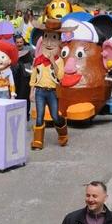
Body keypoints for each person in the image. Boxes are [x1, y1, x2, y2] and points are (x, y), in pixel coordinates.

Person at [29, 19, 67, 149]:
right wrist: (31, 91)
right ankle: (38, 142)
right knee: (39, 117)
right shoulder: (38, 60)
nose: (49, 42)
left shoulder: (59, 61)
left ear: (59, 42)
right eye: (46, 37)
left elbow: (60, 76)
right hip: (40, 91)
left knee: (55, 116)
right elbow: (34, 75)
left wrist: (52, 62)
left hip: (52, 92)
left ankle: (63, 134)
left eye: (54, 38)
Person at [12, 35, 33, 119]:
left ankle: (26, 114)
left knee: (25, 96)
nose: (19, 44)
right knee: (15, 95)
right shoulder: (12, 51)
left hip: (25, 77)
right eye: (17, 42)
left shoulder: (29, 51)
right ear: (15, 43)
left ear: (23, 42)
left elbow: (32, 64)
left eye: (21, 42)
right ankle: (16, 113)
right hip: (15, 77)